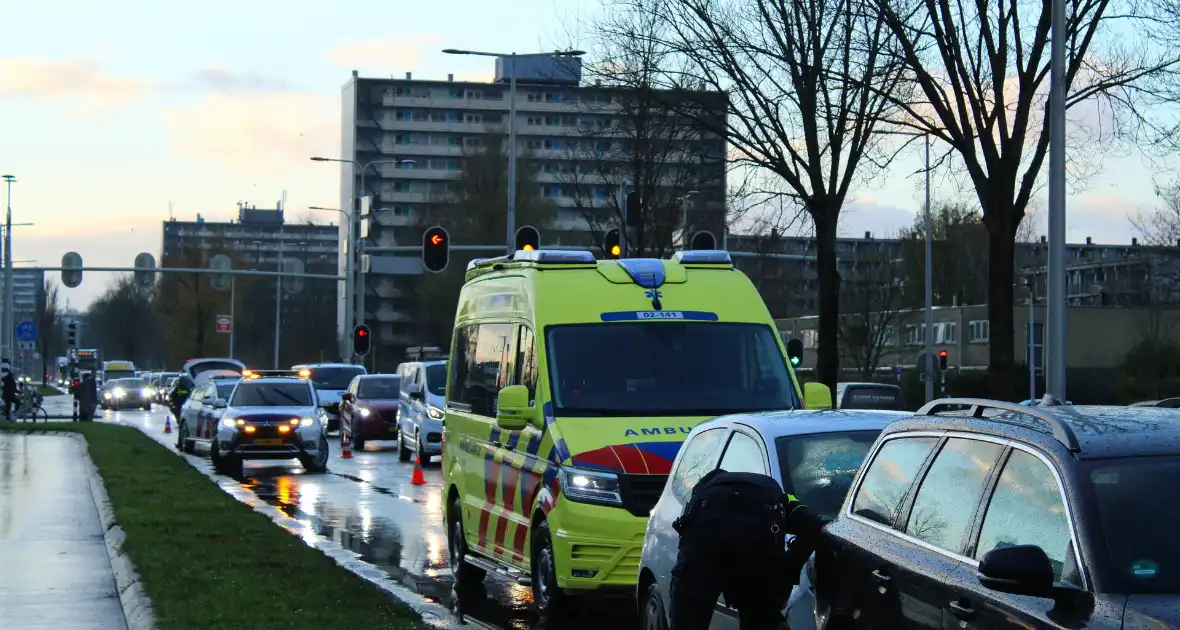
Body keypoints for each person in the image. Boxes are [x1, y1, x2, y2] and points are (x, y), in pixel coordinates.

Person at [669, 469, 828, 630]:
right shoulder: (778, 497)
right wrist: (787, 569)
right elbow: (812, 525)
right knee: (761, 616)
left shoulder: (701, 497)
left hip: (702, 553)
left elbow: (685, 537)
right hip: (756, 554)